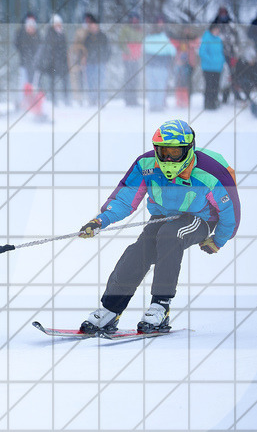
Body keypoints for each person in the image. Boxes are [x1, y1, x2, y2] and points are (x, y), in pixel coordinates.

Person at [77, 119, 240, 333]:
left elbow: (231, 211)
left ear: (189, 149)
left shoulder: (210, 173)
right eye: (164, 152)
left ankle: (160, 306)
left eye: (175, 152)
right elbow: (125, 199)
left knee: (171, 235)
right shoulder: (146, 166)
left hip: (200, 219)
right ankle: (110, 310)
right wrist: (100, 220)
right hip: (162, 218)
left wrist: (218, 239)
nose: (169, 158)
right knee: (137, 253)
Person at [143, 18, 175, 111]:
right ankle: (158, 105)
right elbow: (172, 51)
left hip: (150, 67)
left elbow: (143, 50)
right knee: (160, 86)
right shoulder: (164, 38)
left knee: (151, 86)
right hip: (161, 67)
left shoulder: (147, 38)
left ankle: (152, 105)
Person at [38, 14, 69, 105]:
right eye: (56, 24)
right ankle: (53, 100)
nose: (58, 26)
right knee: (52, 82)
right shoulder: (49, 35)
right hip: (51, 63)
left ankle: (66, 99)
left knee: (64, 81)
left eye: (59, 24)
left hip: (62, 62)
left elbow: (64, 49)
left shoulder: (62, 34)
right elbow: (46, 49)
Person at [14, 14, 41, 108]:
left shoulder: (37, 35)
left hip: (34, 65)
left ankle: (34, 105)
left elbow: (39, 48)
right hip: (24, 63)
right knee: (23, 84)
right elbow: (17, 45)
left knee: (34, 85)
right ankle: (22, 103)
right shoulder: (21, 33)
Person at [83, 15, 110, 106]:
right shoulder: (87, 38)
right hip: (90, 63)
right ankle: (92, 100)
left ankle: (101, 100)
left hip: (100, 63)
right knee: (91, 82)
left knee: (101, 82)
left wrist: (105, 59)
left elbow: (108, 49)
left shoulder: (103, 36)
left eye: (95, 26)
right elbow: (84, 50)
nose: (93, 28)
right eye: (91, 26)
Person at [118, 12, 143, 106]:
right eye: (132, 19)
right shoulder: (126, 29)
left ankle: (134, 99)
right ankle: (128, 100)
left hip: (136, 58)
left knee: (135, 79)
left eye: (136, 19)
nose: (134, 21)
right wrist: (128, 51)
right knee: (129, 79)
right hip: (128, 58)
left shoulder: (140, 30)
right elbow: (121, 42)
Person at [198, 24, 225, 110]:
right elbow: (202, 52)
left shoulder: (219, 40)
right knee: (209, 86)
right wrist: (211, 60)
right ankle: (208, 104)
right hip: (208, 68)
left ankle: (214, 102)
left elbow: (221, 53)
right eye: (216, 29)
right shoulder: (206, 39)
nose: (217, 31)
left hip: (218, 68)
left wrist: (221, 61)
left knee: (216, 86)